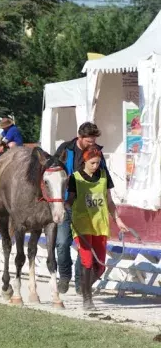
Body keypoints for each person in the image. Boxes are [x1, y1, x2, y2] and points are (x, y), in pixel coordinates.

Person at [65, 147, 129, 311]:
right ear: (84, 161)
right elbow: (70, 200)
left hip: (100, 225)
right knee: (86, 262)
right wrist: (63, 209)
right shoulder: (75, 178)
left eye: (98, 163)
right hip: (82, 225)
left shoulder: (103, 176)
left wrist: (118, 220)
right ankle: (88, 299)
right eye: (92, 163)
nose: (95, 166)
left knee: (100, 266)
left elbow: (109, 201)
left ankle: (84, 288)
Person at [53, 122, 112, 294]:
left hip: (87, 207)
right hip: (67, 202)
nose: (91, 144)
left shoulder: (97, 152)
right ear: (79, 137)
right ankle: (64, 276)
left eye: (94, 140)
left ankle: (80, 284)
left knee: (84, 247)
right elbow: (53, 169)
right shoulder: (65, 148)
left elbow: (104, 176)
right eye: (88, 141)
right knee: (62, 242)